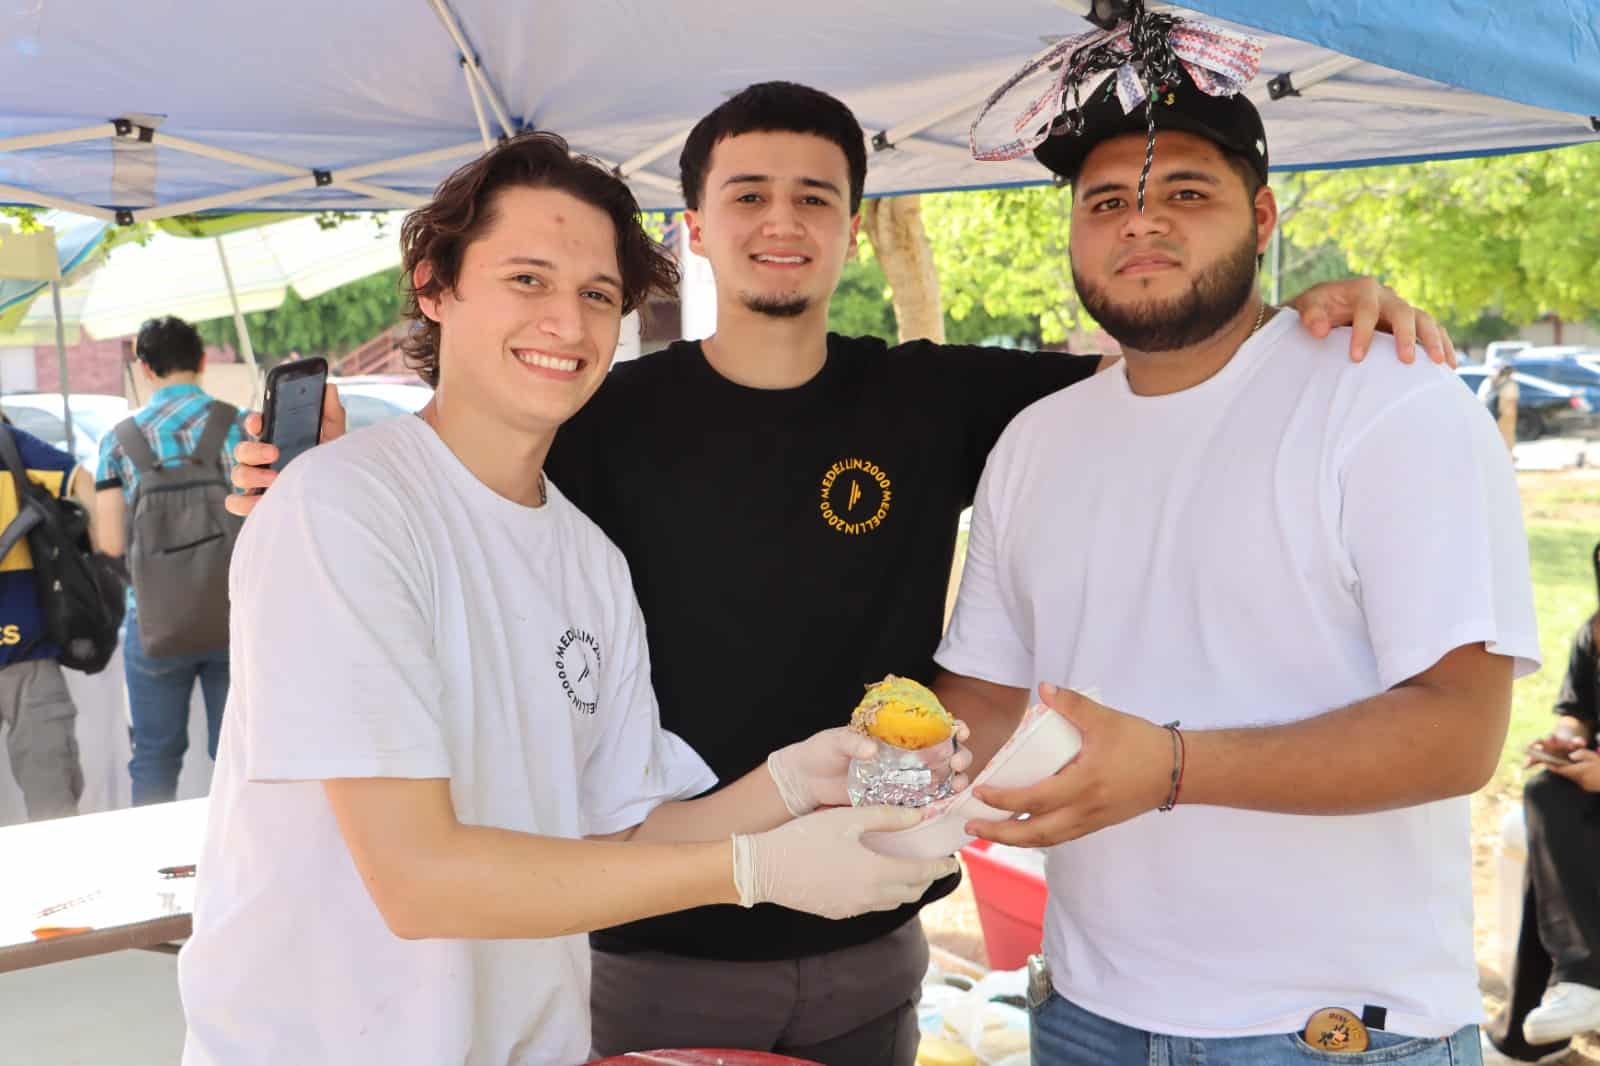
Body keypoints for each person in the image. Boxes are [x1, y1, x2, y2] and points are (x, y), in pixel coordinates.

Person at [226, 81, 1455, 1065]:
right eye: (746, 193)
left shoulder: (923, 400)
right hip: (625, 955)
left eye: (815, 196)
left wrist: (1314, 317)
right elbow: (457, 460)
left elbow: (1169, 361)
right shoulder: (575, 425)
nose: (782, 220)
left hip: (855, 925)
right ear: (693, 228)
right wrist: (329, 471)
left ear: (854, 225)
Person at [176, 131, 957, 1066]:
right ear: (435, 286)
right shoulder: (344, 505)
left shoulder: (587, 557)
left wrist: (791, 782)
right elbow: (417, 880)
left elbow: (622, 831)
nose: (568, 324)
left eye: (597, 296)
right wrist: (752, 873)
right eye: (527, 280)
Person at [934, 59, 1539, 1065]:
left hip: (1333, 1027)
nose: (1139, 223)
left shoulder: (1386, 399)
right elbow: (989, 693)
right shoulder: (1036, 441)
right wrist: (897, 770)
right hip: (1088, 1008)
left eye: (1184, 192)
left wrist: (1170, 768)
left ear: (1261, 219)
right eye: (1104, 202)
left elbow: (1458, 731)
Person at [95, 315, 244, 805]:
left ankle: (149, 868)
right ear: (202, 361)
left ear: (144, 368)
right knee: (241, 757)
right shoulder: (239, 425)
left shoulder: (119, 440)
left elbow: (112, 543)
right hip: (234, 619)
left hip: (154, 624)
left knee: (156, 758)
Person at [1484, 540, 1600, 1064]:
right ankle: (1572, 993)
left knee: (1555, 833)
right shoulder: (1595, 635)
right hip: (1589, 788)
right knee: (1545, 799)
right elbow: (1575, 711)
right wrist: (1563, 742)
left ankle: (1549, 1014)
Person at [0, 421, 93, 820]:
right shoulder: (10, 445)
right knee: (52, 802)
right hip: (26, 649)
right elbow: (82, 482)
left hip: (29, 653)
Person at [1480, 362, 1521, 452]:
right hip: (1504, 414)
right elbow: (1511, 401)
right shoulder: (1509, 383)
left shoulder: (1491, 381)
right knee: (1505, 438)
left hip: (1493, 414)